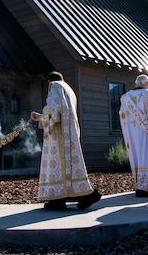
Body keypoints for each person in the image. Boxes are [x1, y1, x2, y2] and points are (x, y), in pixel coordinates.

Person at [30, 71, 101, 210]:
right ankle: (73, 197)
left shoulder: (55, 87)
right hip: (70, 134)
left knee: (57, 166)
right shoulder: (69, 89)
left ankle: (64, 198)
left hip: (58, 136)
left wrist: (41, 116)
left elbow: (53, 110)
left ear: (49, 82)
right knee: (70, 168)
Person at [119, 74, 148, 197]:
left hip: (132, 135)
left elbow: (122, 116)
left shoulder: (125, 97)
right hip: (146, 132)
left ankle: (139, 185)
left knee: (137, 157)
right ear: (147, 84)